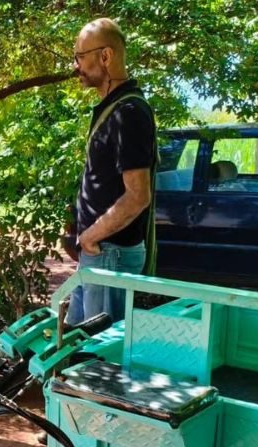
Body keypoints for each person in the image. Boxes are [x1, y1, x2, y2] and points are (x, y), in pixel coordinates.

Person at [64, 18, 157, 326]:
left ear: (105, 56)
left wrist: (90, 236)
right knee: (77, 343)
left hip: (110, 254)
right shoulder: (114, 107)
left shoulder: (129, 113)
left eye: (80, 56)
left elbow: (138, 195)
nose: (76, 66)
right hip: (100, 253)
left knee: (98, 350)